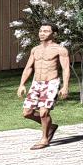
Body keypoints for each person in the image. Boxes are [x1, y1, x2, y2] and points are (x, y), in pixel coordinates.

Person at [16, 22, 72, 150]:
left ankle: (44, 139)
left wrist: (65, 86)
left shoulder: (60, 50)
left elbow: (65, 69)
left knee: (43, 112)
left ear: (54, 34)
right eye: (41, 31)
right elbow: (29, 67)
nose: (42, 33)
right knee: (27, 112)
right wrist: (22, 84)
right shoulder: (35, 49)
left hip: (51, 83)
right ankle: (51, 126)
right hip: (37, 83)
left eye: (46, 31)